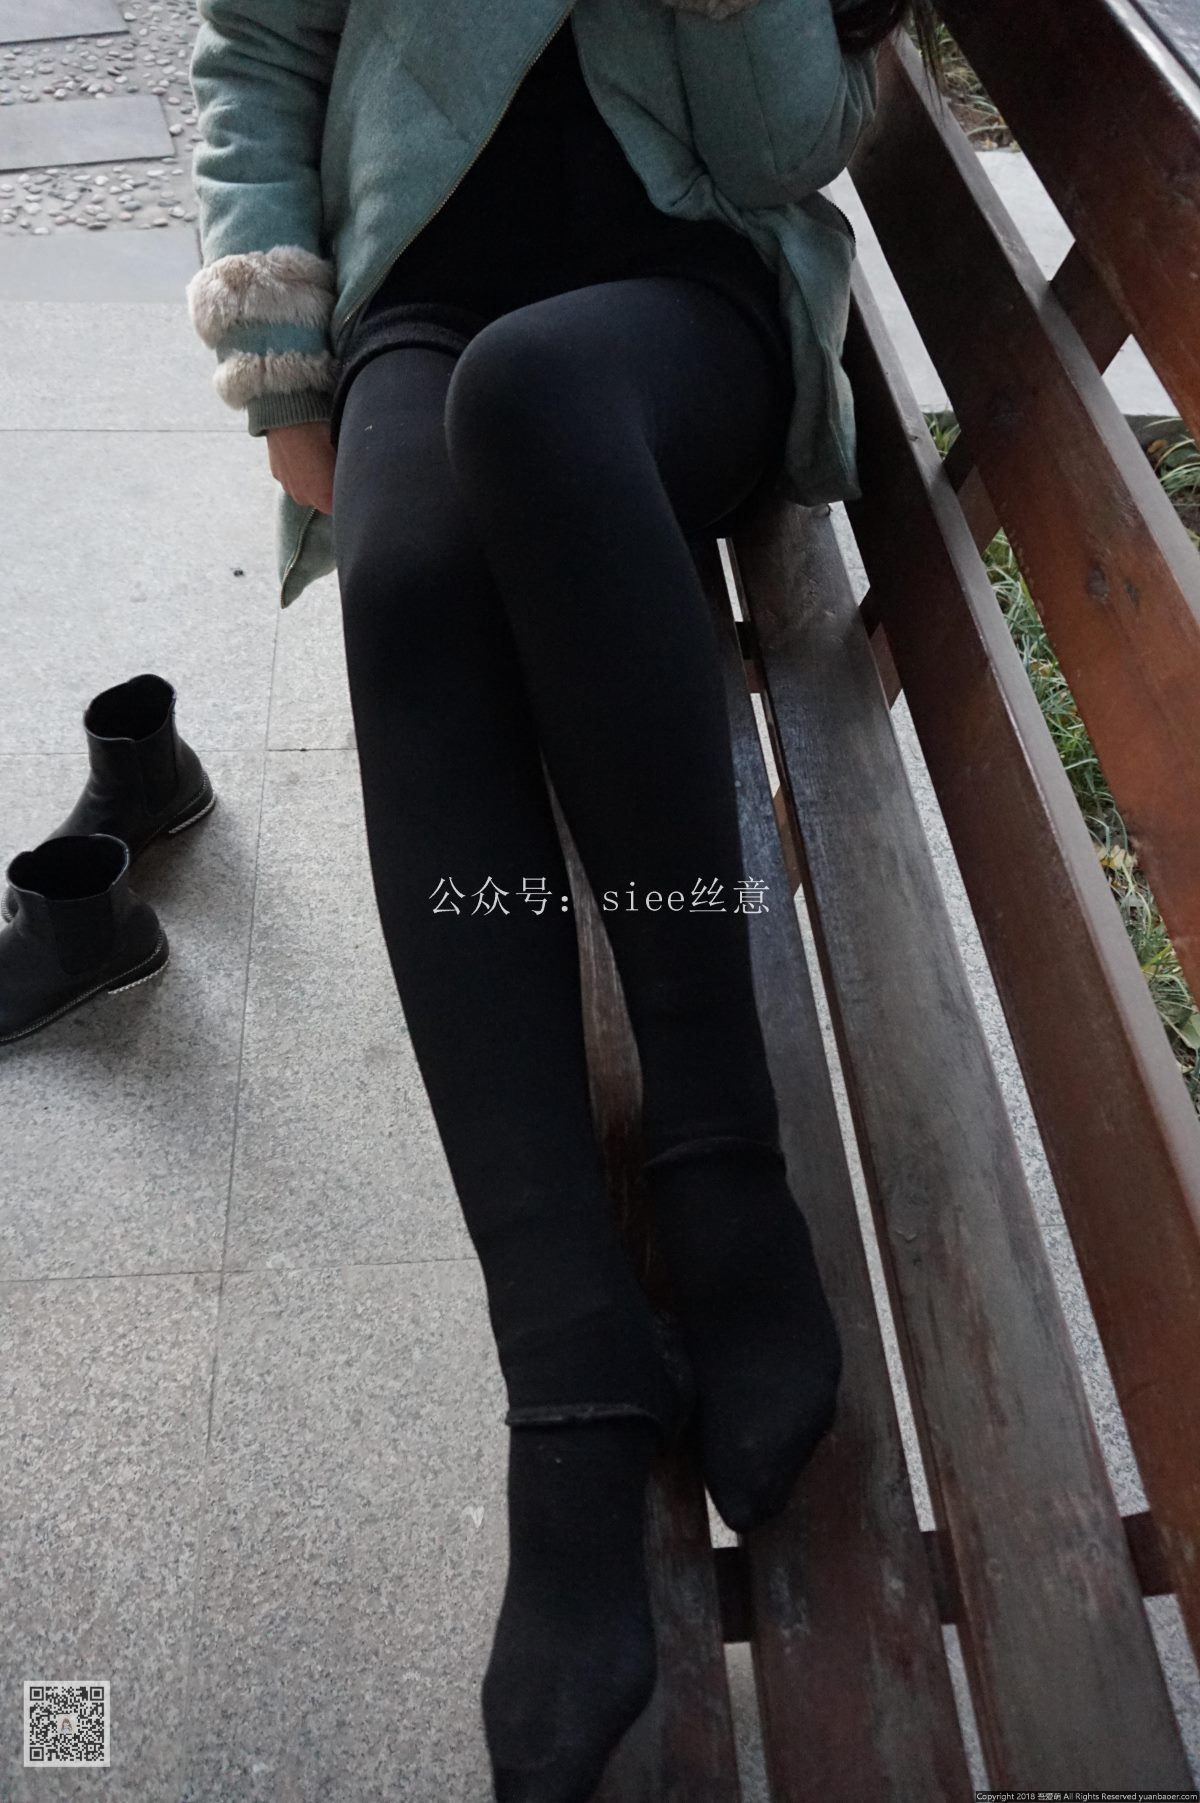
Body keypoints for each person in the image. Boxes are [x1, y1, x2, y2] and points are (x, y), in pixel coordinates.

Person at [186, 2, 941, 1797]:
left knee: (533, 399)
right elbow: (258, 51)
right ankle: (570, 1369)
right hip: (422, 290)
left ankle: (722, 1170)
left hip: (687, 301)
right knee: (407, 567)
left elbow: (782, 146)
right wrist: (287, 368)